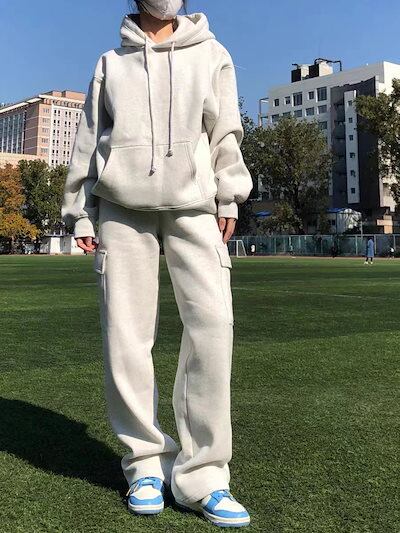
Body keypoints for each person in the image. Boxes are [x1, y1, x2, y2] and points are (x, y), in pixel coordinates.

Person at [61, 0, 253, 528]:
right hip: (121, 208)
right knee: (125, 335)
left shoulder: (212, 54)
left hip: (195, 204)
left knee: (213, 326)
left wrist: (229, 194)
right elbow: (87, 139)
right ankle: (145, 463)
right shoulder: (111, 62)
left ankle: (204, 475)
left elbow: (225, 130)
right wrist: (80, 212)